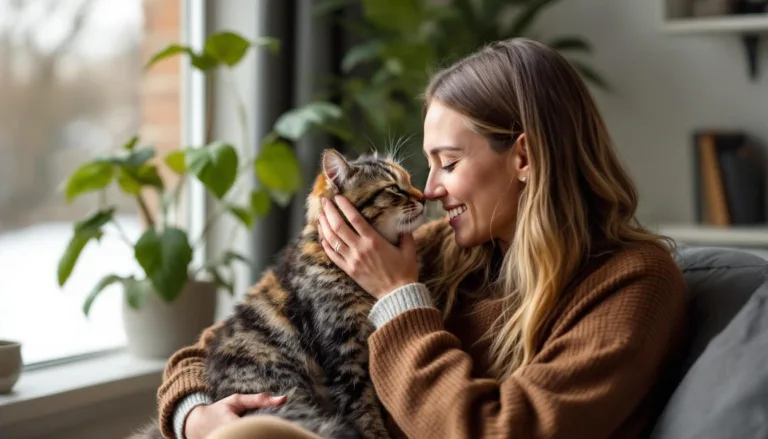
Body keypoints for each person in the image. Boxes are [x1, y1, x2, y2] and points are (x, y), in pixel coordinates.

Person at [155, 38, 687, 439]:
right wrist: (194, 416)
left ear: (523, 158)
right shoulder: (439, 249)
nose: (429, 191)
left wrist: (398, 299)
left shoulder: (632, 280)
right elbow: (209, 350)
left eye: (448, 163)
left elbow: (502, 431)